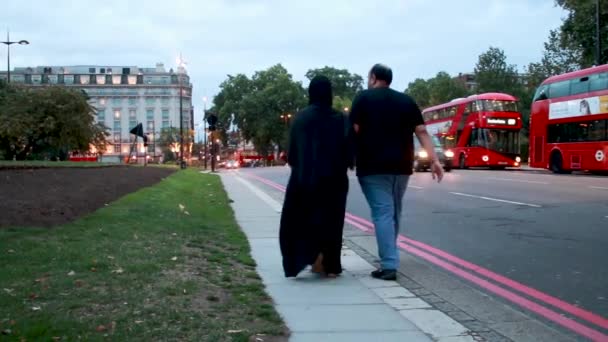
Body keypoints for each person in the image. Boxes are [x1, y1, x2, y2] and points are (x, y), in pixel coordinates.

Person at [350, 63, 443, 281]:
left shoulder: (363, 98)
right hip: (401, 167)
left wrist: (348, 157)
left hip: (372, 167)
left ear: (373, 78)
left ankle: (389, 264)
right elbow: (422, 132)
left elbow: (354, 130)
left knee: (383, 212)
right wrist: (434, 160)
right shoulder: (406, 101)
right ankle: (389, 254)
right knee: (393, 212)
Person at [279, 75, 354, 278]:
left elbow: (292, 155)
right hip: (334, 181)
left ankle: (309, 258)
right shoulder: (341, 120)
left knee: (303, 220)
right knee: (332, 222)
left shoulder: (301, 119)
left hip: (305, 179)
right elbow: (349, 154)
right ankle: (330, 265)